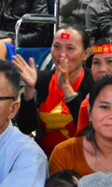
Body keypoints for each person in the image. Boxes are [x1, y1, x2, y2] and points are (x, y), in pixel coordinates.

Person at [13, 26, 93, 156]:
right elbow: (26, 127)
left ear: (85, 53)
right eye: (56, 47)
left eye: (70, 48)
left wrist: (66, 86)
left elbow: (90, 129)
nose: (61, 54)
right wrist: (29, 90)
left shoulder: (92, 82)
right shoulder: (41, 79)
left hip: (82, 157)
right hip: (44, 156)